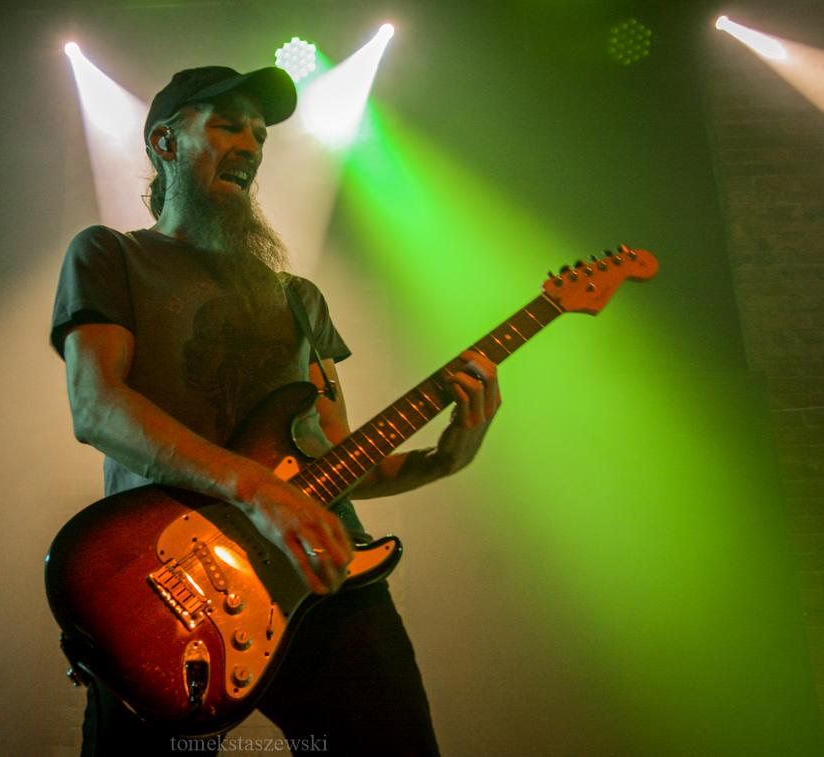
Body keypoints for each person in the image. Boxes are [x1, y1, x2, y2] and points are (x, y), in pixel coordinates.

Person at [51, 65, 501, 756]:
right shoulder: (111, 255)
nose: (251, 145)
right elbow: (95, 405)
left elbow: (342, 458)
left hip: (322, 575)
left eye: (260, 134)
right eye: (228, 125)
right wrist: (258, 490)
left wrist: (450, 454)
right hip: (167, 582)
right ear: (166, 143)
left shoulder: (299, 297)